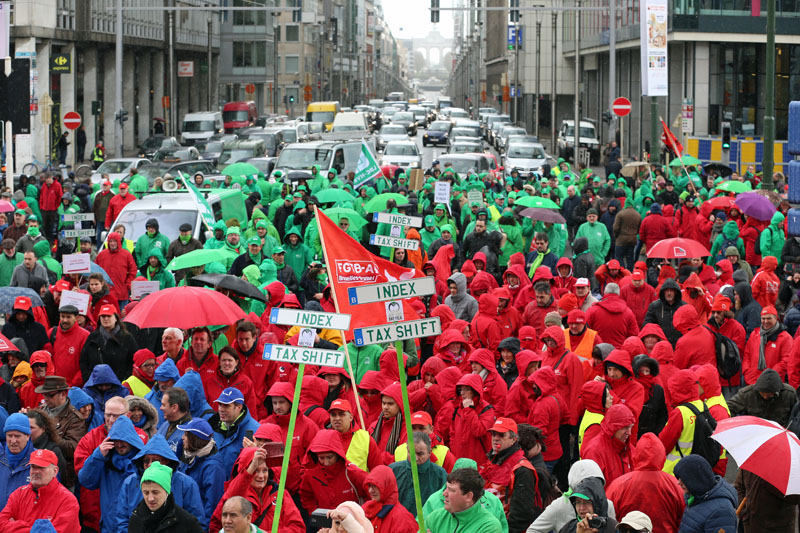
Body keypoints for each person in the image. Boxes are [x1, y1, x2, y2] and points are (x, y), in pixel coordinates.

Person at [208, 446, 305, 532]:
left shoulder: (280, 494)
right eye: (256, 470)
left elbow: (299, 528)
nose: (261, 476)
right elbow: (215, 527)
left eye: (265, 470)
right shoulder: (236, 494)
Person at [77, 415, 144, 533]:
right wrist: (98, 455)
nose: (119, 444)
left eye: (123, 440)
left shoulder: (143, 463)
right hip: (109, 526)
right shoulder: (104, 460)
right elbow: (86, 481)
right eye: (115, 440)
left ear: (131, 440)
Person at [605, 433, 684, 533]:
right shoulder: (676, 486)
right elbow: (685, 521)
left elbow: (608, 517)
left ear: (637, 455)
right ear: (662, 454)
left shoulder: (618, 486)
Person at [479, 418, 542, 532]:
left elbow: (521, 514)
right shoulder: (493, 461)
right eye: (493, 434)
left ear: (513, 439)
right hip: (485, 525)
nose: (495, 438)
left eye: (501, 435)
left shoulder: (522, 469)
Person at [0, 448, 80, 532]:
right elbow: (1, 524)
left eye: (41, 467)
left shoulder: (67, 501)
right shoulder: (18, 494)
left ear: (55, 471)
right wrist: (33, 530)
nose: (36, 471)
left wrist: (16, 525)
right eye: (33, 467)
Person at [300, 429, 369, 516]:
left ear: (337, 454)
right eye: (321, 458)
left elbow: (371, 495)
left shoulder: (352, 473)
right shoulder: (310, 474)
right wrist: (316, 514)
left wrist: (360, 515)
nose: (326, 462)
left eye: (329, 457)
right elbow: (306, 497)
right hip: (324, 525)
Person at [128, 461, 204, 532]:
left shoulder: (187, 523)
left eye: (155, 492)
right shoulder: (136, 519)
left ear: (167, 491)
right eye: (146, 493)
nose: (150, 498)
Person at [425, 467, 503, 533]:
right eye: (446, 488)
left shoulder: (489, 527)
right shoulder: (435, 518)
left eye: (451, 490)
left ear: (468, 496)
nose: (444, 494)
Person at [672, 455, 737, 533]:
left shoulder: (721, 511)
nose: (679, 483)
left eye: (684, 479)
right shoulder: (695, 497)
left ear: (695, 479)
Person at [390, 431, 447, 516]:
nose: (415, 458)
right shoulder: (393, 470)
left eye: (420, 454)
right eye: (411, 453)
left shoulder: (439, 475)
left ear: (429, 452)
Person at [579, 404, 635, 486]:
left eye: (631, 427)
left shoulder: (628, 448)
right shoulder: (594, 451)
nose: (629, 432)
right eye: (625, 428)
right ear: (613, 427)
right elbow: (592, 489)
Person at [79, 304, 138, 383]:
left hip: (119, 385)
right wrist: (89, 379)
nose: (106, 319)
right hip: (95, 384)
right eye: (103, 316)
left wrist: (125, 380)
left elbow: (133, 361)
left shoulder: (127, 338)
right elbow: (84, 360)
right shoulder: (92, 337)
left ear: (116, 318)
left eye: (109, 316)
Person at [728, 368, 797, 426]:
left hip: (780, 432)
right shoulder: (747, 394)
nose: (765, 397)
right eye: (762, 394)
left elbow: (797, 415)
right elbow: (728, 409)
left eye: (769, 394)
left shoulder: (790, 394)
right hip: (754, 431)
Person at [361, 464, 420, 533]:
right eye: (369, 486)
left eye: (375, 486)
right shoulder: (367, 509)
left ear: (387, 485)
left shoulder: (403, 519)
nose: (370, 491)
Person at [742, 305, 792, 384]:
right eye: (763, 318)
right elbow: (747, 354)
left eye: (769, 318)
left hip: (772, 383)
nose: (765, 321)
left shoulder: (785, 338)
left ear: (775, 318)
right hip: (752, 381)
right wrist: (746, 371)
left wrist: (770, 376)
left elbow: (786, 361)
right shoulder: (754, 334)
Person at [585, 284, 639, 348]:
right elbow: (634, 335)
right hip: (619, 352)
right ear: (619, 294)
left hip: (597, 352)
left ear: (604, 293)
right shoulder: (628, 312)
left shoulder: (593, 310)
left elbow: (584, 331)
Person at [95, 231, 137, 307]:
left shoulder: (126, 254)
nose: (112, 243)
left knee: (122, 317)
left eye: (114, 241)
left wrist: (128, 283)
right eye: (110, 241)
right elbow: (96, 271)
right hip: (105, 293)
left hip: (121, 293)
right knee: (106, 316)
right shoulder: (102, 255)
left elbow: (133, 270)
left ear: (118, 242)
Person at [643, 279, 686, 346]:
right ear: (663, 292)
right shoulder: (654, 306)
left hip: (680, 344)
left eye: (671, 291)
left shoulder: (684, 307)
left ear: (675, 292)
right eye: (667, 290)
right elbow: (647, 325)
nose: (669, 293)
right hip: (661, 345)